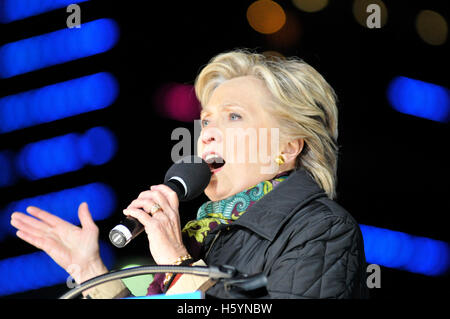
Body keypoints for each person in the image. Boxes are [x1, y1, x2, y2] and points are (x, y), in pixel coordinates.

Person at [10, 49, 369, 298]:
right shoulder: (203, 235)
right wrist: (91, 272)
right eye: (207, 120)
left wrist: (179, 265)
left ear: (288, 147)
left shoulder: (321, 230)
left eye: (234, 116)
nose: (207, 132)